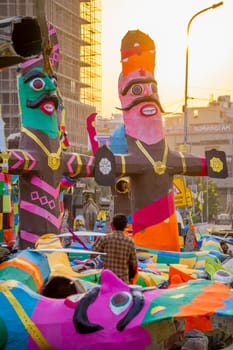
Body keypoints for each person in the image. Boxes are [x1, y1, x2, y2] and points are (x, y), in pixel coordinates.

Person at [91, 213, 138, 284]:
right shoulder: (130, 241)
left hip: (107, 280)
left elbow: (92, 255)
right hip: (122, 281)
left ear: (112, 224)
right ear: (125, 226)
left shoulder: (104, 238)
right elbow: (134, 263)